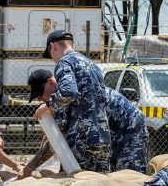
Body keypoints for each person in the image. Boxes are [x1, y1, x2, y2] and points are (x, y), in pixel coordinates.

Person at [20, 69, 148, 179]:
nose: (40, 99)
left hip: (130, 130)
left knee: (129, 177)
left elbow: (53, 145)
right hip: (111, 135)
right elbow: (57, 141)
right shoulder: (59, 101)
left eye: (40, 94)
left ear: (51, 82)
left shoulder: (69, 94)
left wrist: (29, 168)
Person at [32, 30, 111, 173]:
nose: (53, 59)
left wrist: (48, 105)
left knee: (75, 180)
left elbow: (69, 92)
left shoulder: (65, 62)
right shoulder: (91, 64)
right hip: (103, 137)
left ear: (53, 46)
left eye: (50, 54)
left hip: (82, 138)